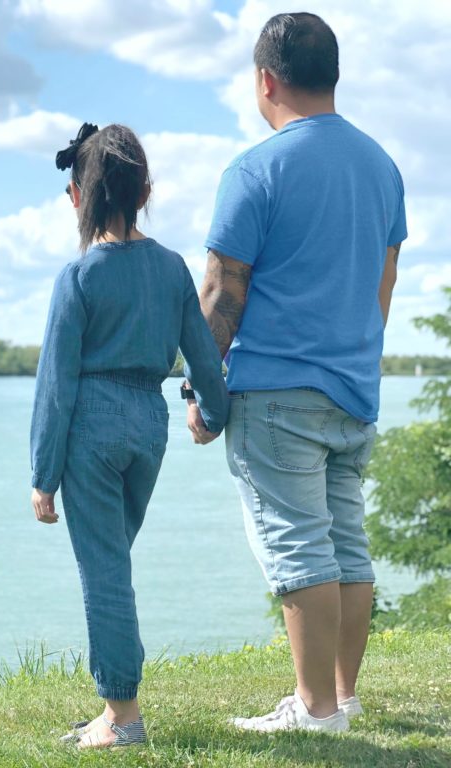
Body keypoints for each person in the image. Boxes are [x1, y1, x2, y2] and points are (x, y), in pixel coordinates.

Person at [188, 12, 406, 733]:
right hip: (353, 390)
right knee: (346, 542)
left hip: (277, 393)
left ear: (265, 80)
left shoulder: (256, 168)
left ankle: (315, 711)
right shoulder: (382, 167)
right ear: (333, 75)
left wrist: (200, 385)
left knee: (299, 545)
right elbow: (385, 279)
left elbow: (223, 290)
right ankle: (342, 696)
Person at [30, 122, 229, 749]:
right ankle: (115, 708)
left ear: (79, 198)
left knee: (105, 574)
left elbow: (56, 386)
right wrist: (213, 415)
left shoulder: (79, 277)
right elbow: (202, 357)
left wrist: (42, 475)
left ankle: (123, 717)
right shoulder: (172, 268)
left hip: (92, 426)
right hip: (149, 426)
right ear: (144, 191)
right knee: (115, 562)